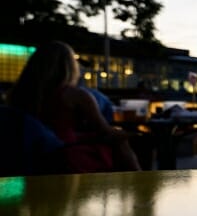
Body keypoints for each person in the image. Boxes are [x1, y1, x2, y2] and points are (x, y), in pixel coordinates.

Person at [7, 41, 141, 172]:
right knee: (120, 141)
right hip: (63, 152)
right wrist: (128, 134)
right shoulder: (75, 95)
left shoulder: (19, 93)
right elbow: (104, 131)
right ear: (69, 66)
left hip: (27, 150)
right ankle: (139, 182)